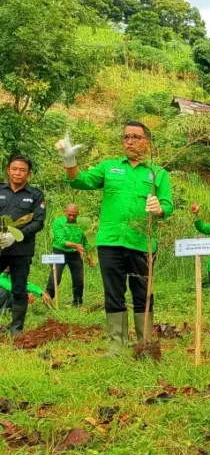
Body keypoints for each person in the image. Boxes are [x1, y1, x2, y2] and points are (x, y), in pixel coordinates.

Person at [56, 122, 174, 355]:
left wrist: (160, 208)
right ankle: (117, 344)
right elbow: (80, 180)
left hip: (142, 242)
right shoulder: (109, 168)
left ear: (146, 142)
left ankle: (144, 343)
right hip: (110, 242)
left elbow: (168, 205)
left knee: (143, 292)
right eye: (126, 137)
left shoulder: (158, 173)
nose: (130, 141)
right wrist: (69, 161)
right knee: (113, 292)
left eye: (136, 137)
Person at [0, 156, 46, 335]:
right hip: (1, 246)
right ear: (8, 170)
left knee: (19, 288)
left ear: (29, 174)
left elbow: (38, 222)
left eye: (22, 170)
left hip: (21, 250)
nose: (17, 173)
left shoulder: (35, 195)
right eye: (14, 169)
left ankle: (16, 330)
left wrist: (16, 235)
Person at [44, 204, 93, 307]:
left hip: (75, 254)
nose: (71, 217)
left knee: (78, 279)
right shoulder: (58, 222)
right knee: (56, 276)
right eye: (69, 215)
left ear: (78, 214)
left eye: (74, 215)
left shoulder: (82, 223)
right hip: (59, 251)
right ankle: (47, 299)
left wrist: (89, 254)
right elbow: (61, 240)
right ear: (65, 211)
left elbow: (86, 241)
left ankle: (77, 302)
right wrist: (76, 245)